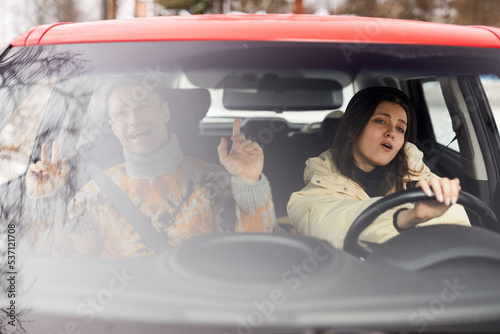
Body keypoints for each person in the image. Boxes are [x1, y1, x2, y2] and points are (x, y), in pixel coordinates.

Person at [26, 77, 276, 257]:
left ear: (165, 112)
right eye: (122, 114)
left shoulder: (215, 183)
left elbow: (255, 255)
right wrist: (44, 200)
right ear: (113, 128)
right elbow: (58, 264)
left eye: (143, 105)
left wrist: (248, 180)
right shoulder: (93, 197)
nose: (134, 119)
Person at [287, 86, 470, 249]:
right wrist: (407, 217)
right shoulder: (322, 178)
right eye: (381, 121)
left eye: (400, 129)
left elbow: (459, 235)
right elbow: (319, 222)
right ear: (353, 128)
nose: (391, 132)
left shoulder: (418, 174)